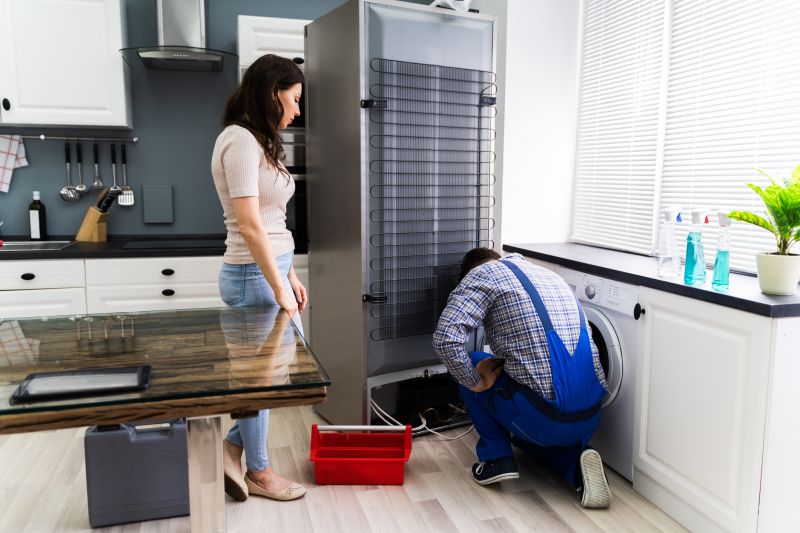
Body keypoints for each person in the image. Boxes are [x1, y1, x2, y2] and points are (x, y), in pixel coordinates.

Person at [432, 247, 613, 508]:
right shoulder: (548, 275)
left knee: (475, 362)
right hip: (589, 417)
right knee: (533, 429)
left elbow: (446, 340)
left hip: (544, 417)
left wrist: (475, 381)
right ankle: (575, 465)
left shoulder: (480, 276)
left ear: (469, 273)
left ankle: (497, 459)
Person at [211, 53, 308, 503]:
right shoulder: (240, 141)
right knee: (262, 381)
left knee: (271, 377)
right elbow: (249, 225)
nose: (297, 109)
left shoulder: (261, 142)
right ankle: (260, 471)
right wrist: (277, 286)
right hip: (253, 277)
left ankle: (232, 447)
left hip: (268, 272)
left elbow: (272, 218)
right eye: (293, 98)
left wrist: (290, 273)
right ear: (273, 93)